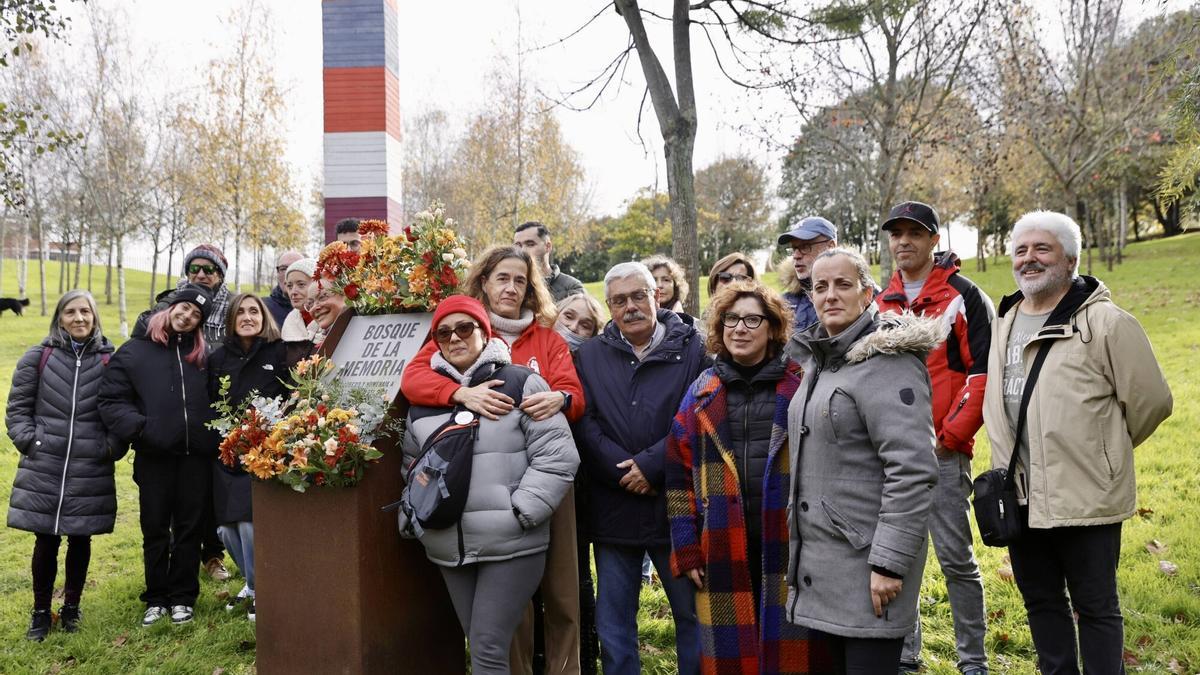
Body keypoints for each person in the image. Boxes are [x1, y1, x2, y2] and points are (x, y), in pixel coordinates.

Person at [982, 211, 1172, 675]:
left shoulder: (1107, 323)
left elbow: (1151, 402)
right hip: (1020, 494)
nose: (1029, 258)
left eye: (1041, 249)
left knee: (1096, 606)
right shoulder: (1005, 319)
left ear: (1070, 260)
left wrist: (1102, 452)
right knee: (1041, 602)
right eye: (1021, 250)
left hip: (1085, 493)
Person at [400, 245, 586, 675]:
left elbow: (567, 420)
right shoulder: (440, 356)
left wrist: (521, 510)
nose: (511, 287)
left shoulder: (541, 347)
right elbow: (411, 452)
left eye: (520, 280)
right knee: (490, 640)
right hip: (455, 534)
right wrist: (460, 393)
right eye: (503, 278)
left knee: (553, 601)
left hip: (523, 510)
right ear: (483, 283)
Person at [785, 248, 940, 672]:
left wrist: (889, 563)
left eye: (843, 284)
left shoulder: (888, 362)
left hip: (869, 569)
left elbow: (912, 470)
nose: (830, 295)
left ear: (867, 293)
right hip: (822, 568)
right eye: (820, 287)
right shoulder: (821, 360)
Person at [667, 281, 832, 673]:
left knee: (791, 653)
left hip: (790, 543)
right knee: (730, 654)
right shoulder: (701, 392)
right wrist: (686, 546)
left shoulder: (801, 386)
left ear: (772, 329)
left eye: (752, 320)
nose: (740, 328)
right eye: (731, 319)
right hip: (722, 543)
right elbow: (677, 473)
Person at [874, 201, 993, 675]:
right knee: (898, 558)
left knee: (956, 559)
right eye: (896, 234)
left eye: (915, 233)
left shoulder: (964, 297)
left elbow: (981, 375)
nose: (904, 241)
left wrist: (949, 438)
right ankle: (905, 657)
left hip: (943, 454)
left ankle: (973, 660)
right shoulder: (880, 303)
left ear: (934, 240)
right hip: (891, 458)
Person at [574, 261, 709, 675]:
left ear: (657, 296)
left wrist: (652, 466)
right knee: (614, 626)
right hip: (614, 507)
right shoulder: (589, 356)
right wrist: (623, 472)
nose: (630, 306)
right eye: (619, 300)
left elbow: (699, 415)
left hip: (676, 507)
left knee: (692, 617)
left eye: (638, 296)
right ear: (609, 307)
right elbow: (584, 422)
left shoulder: (694, 349)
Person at [99, 284, 215, 628]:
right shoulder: (134, 352)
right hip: (154, 456)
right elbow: (111, 401)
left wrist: (209, 435)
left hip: (195, 457)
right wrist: (143, 429)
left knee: (190, 528)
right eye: (184, 308)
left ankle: (183, 597)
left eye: (196, 315)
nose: (187, 316)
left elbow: (217, 398)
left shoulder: (203, 356)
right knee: (155, 528)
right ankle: (156, 597)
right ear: (171, 307)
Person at [6, 290, 118, 641]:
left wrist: (109, 447)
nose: (79, 318)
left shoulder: (111, 361)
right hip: (45, 461)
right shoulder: (38, 356)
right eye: (70, 312)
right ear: (60, 318)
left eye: (85, 311)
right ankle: (41, 612)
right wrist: (31, 441)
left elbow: (122, 411)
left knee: (81, 536)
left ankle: (72, 607)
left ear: (95, 316)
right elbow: (17, 409)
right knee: (46, 538)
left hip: (90, 462)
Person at [206, 293, 289, 624]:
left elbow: (291, 398)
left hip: (266, 454)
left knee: (249, 524)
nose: (247, 317)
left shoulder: (278, 352)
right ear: (231, 319)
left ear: (264, 317)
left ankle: (261, 588)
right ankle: (252, 583)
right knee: (227, 528)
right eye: (240, 312)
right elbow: (210, 404)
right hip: (228, 454)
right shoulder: (217, 359)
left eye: (254, 311)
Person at [552, 291, 607, 675]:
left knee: (575, 575)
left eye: (584, 324)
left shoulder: (591, 366)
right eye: (568, 317)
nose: (573, 327)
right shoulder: (539, 352)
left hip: (581, 479)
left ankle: (584, 658)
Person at [777, 216, 837, 333]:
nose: (796, 256)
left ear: (831, 247)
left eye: (805, 247)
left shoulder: (858, 295)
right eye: (794, 249)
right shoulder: (784, 303)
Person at [514, 221, 584, 302]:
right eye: (518, 245)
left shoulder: (571, 287)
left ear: (548, 247)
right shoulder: (511, 285)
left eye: (530, 244)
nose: (522, 251)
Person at [279, 257, 319, 366]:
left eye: (301, 284)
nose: (293, 292)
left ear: (317, 284)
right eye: (289, 286)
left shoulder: (332, 319)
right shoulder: (290, 322)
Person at [262, 250, 304, 327]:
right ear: (277, 273)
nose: (288, 273)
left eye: (296, 267)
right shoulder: (262, 308)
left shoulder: (318, 308)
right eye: (283, 269)